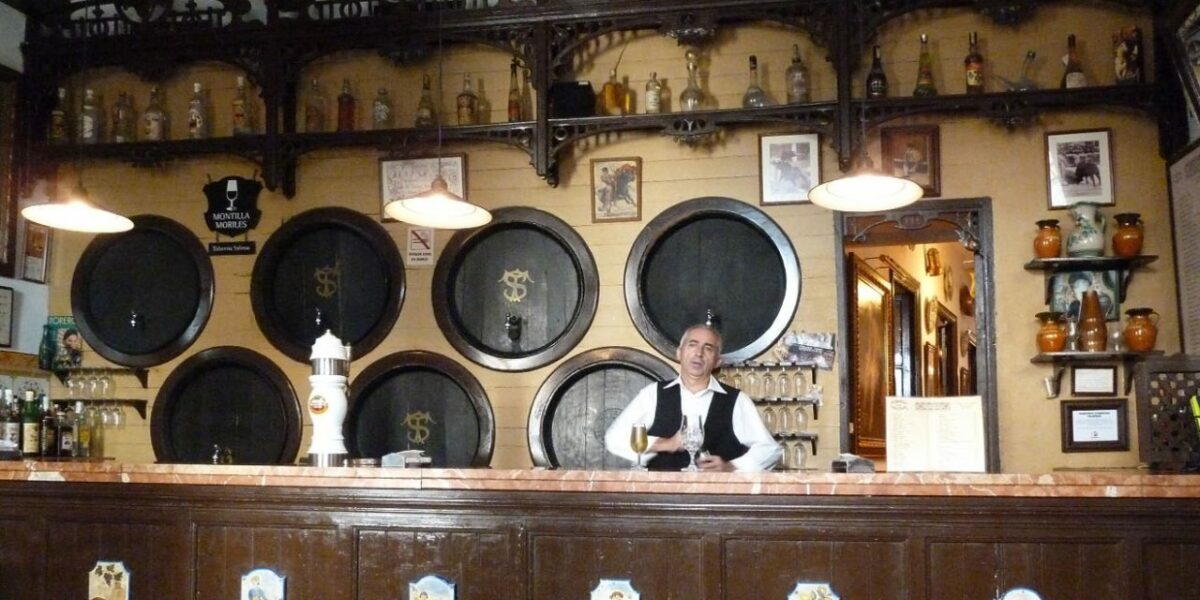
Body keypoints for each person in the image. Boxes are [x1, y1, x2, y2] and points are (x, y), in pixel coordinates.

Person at [604, 324, 781, 471]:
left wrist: (732, 466)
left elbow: (770, 450)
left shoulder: (736, 400)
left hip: (716, 502)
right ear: (679, 353)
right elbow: (614, 438)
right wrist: (666, 444)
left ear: (717, 361)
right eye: (692, 345)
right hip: (660, 500)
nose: (699, 353)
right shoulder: (653, 394)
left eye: (708, 348)